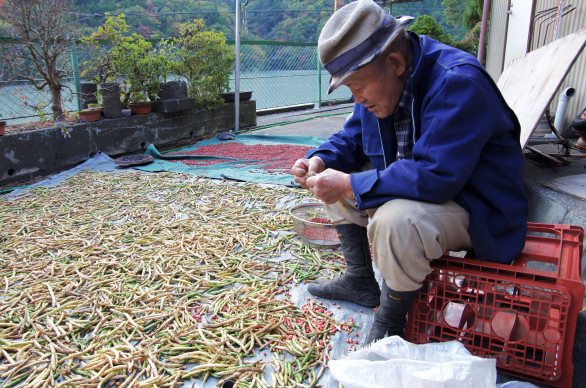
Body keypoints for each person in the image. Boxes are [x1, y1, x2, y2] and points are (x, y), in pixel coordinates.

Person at [291, 0, 528, 344]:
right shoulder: (382, 87)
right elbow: (351, 138)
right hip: (430, 192)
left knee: (393, 220)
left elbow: (435, 177)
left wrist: (349, 185)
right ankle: (360, 279)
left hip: (477, 207)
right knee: (337, 175)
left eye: (358, 88)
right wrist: (320, 159)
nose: (357, 99)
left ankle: (392, 319)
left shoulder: (457, 83)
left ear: (395, 62)